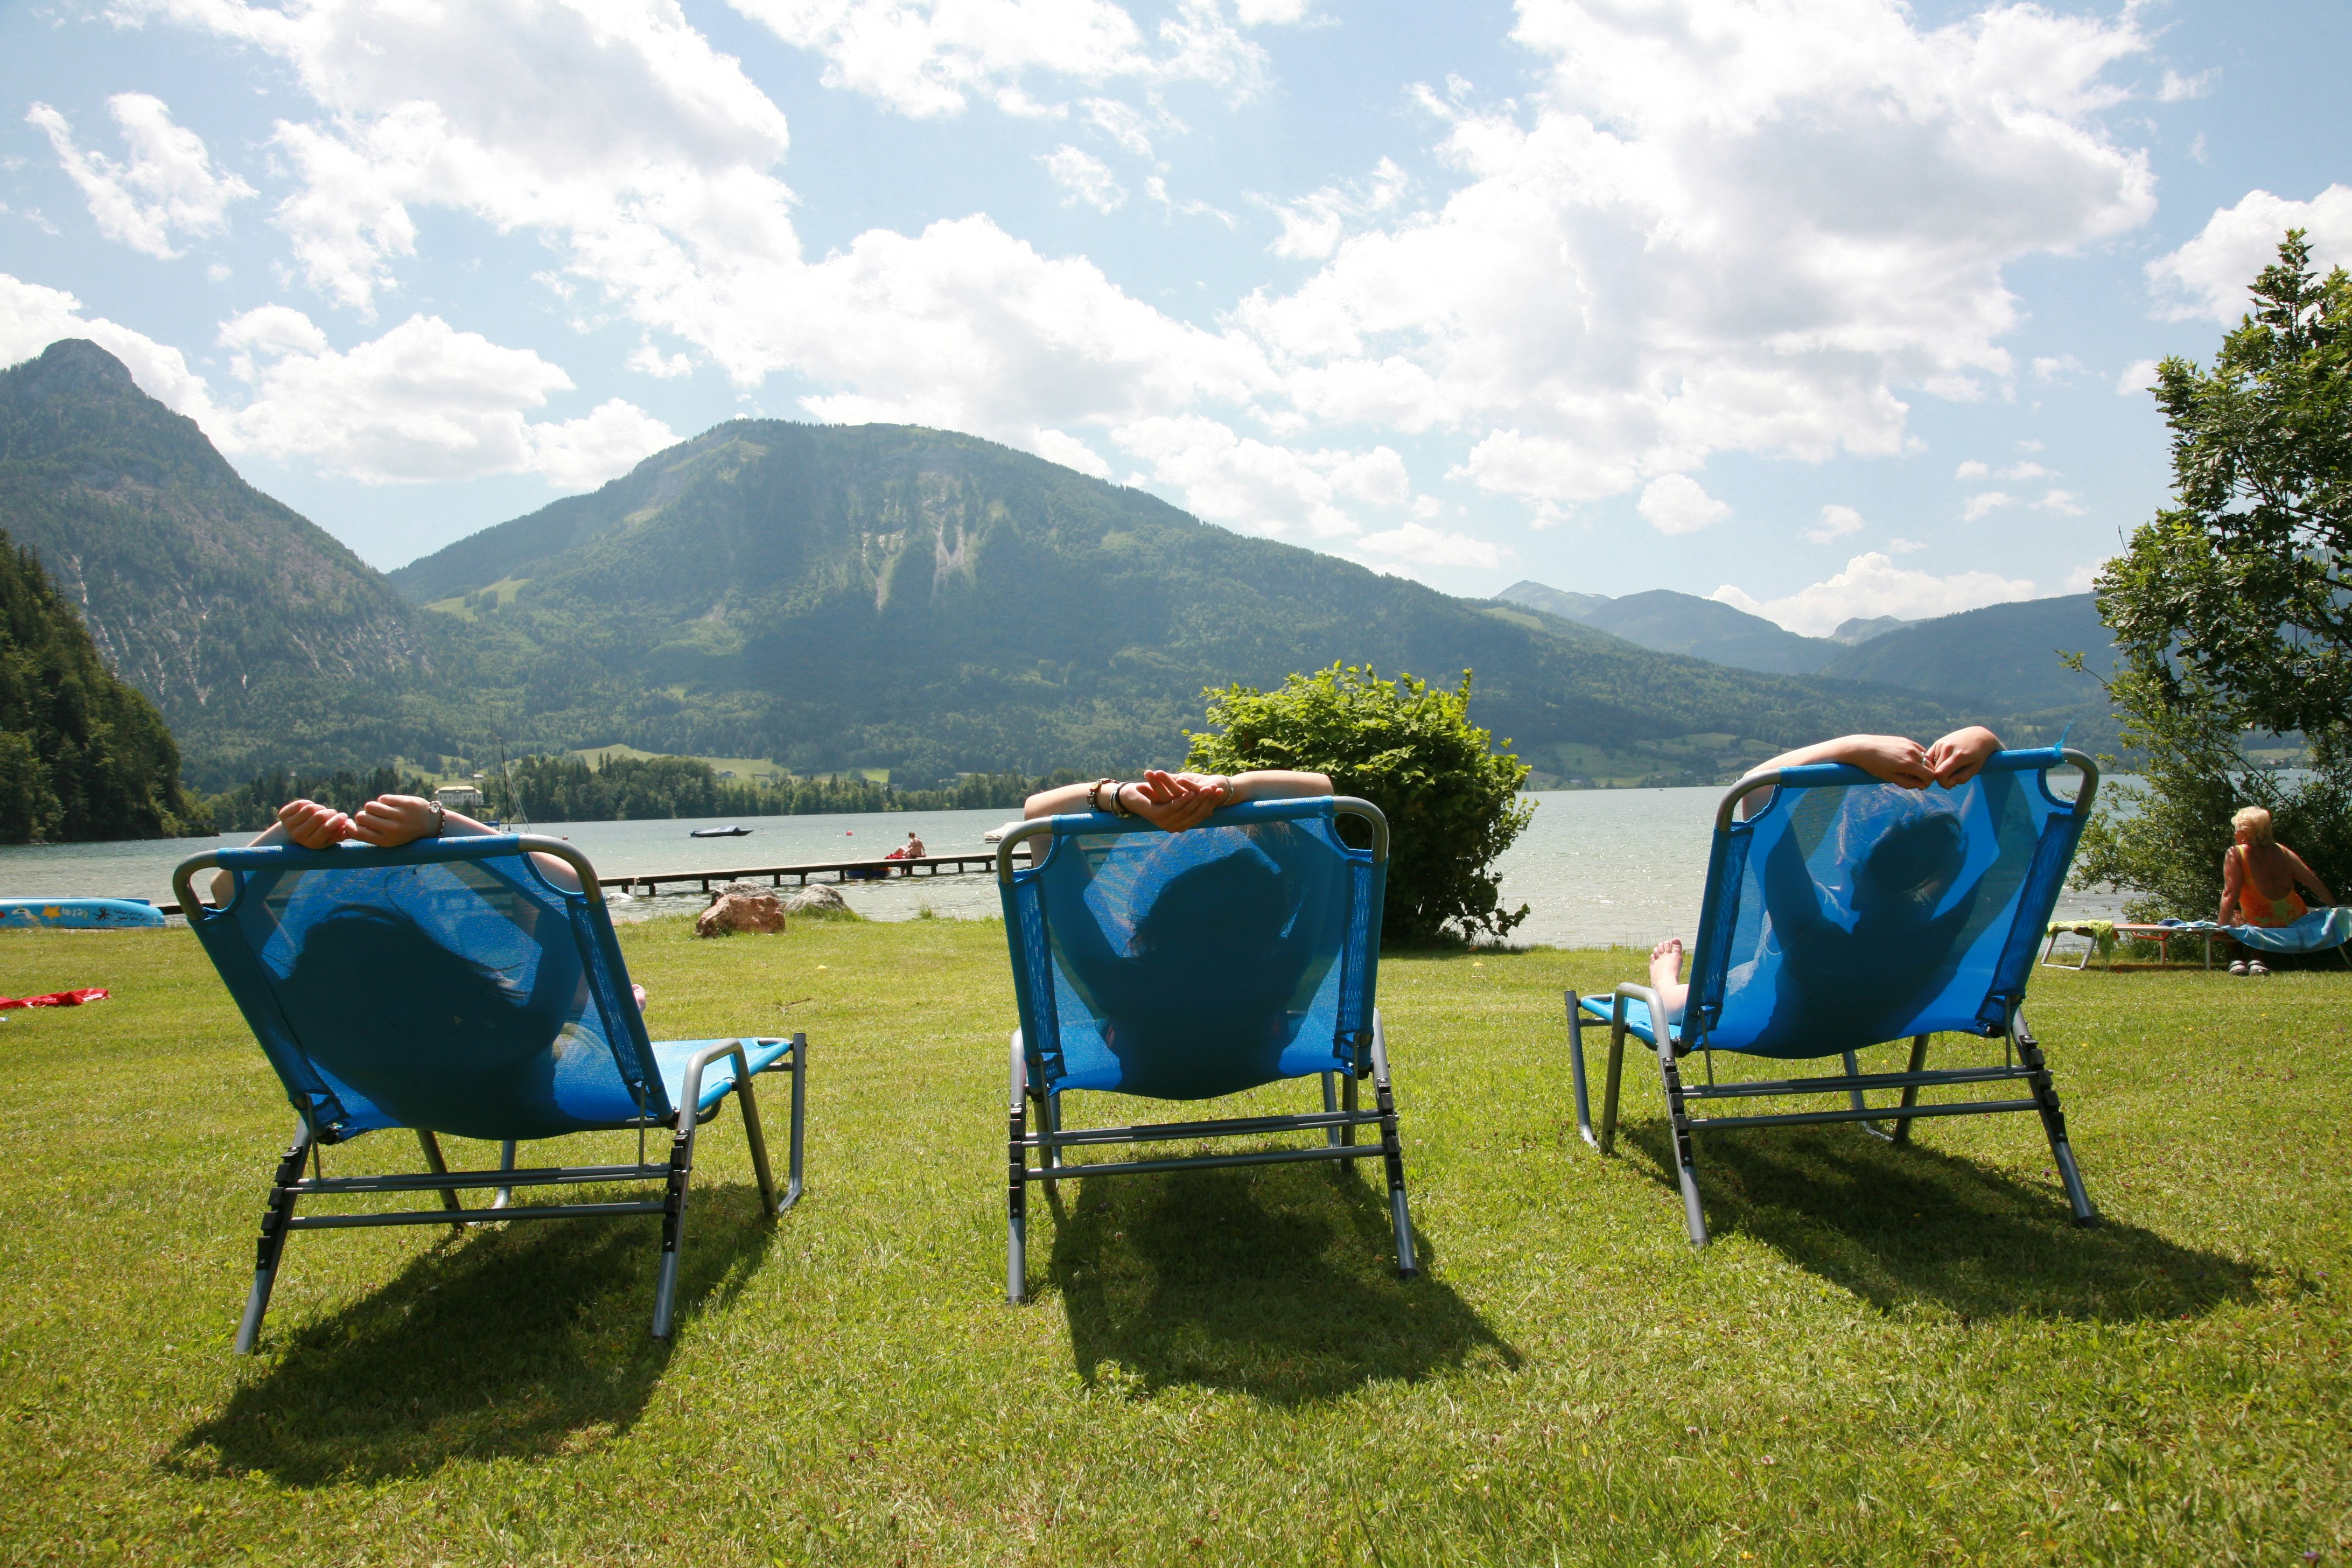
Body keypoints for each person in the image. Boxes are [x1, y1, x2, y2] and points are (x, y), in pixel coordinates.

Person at [1640, 726, 2006, 1027]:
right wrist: (1986, 740)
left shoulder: (1807, 924)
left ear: (1841, 851)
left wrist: (1854, 746)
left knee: (1679, 1003)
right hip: (1865, 1021)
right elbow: (1984, 827)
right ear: (1941, 864)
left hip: (1762, 1013)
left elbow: (1756, 789)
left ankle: (1664, 980)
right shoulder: (1939, 918)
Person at [205, 794, 648, 1009]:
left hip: (396, 1103)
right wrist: (440, 822)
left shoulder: (313, 1020)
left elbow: (228, 898)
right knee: (614, 999)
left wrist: (288, 835)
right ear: (449, 966)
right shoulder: (520, 1032)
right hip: (525, 1099)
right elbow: (568, 887)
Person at [2216, 805, 2335, 976]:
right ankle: (2256, 959)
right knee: (2253, 916)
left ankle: (2240, 960)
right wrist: (2334, 907)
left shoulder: (2236, 853)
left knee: (2233, 916)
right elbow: (2313, 882)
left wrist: (2221, 927)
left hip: (2260, 922)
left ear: (2242, 833)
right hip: (2293, 919)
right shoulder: (2283, 851)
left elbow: (2230, 893)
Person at [1022, 768, 1333, 830]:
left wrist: (1120, 796)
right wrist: (1231, 788)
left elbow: (1037, 810)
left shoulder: (1102, 965)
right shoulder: (1294, 956)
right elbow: (1321, 789)